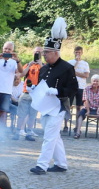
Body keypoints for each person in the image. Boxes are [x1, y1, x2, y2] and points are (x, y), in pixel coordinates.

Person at [30, 19, 77, 175]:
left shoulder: (67, 68)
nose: (44, 55)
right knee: (54, 136)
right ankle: (61, 163)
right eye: (44, 52)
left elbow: (73, 88)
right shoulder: (44, 69)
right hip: (45, 107)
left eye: (47, 53)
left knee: (49, 136)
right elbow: (41, 85)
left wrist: (58, 91)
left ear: (56, 52)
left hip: (58, 106)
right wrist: (33, 90)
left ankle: (42, 165)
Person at [14, 46, 44, 141]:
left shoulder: (44, 66)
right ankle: (18, 132)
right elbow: (21, 74)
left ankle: (30, 132)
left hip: (37, 94)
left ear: (42, 54)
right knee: (22, 113)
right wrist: (30, 65)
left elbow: (46, 77)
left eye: (39, 52)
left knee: (32, 115)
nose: (37, 54)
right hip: (26, 92)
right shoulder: (28, 64)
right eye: (36, 52)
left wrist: (41, 65)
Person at [66, 46, 90, 133]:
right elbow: (69, 73)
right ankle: (65, 125)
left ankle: (77, 126)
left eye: (79, 52)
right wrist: (75, 63)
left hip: (81, 87)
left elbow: (86, 75)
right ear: (74, 52)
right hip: (71, 87)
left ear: (82, 53)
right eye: (76, 52)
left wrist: (75, 73)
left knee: (79, 107)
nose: (78, 54)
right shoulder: (70, 62)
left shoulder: (85, 63)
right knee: (68, 106)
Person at [73, 74, 99, 140]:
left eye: (97, 81)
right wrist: (88, 111)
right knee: (80, 114)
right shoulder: (87, 89)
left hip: (97, 107)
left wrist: (98, 111)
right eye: (94, 81)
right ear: (91, 81)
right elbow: (85, 100)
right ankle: (78, 132)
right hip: (88, 107)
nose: (95, 82)